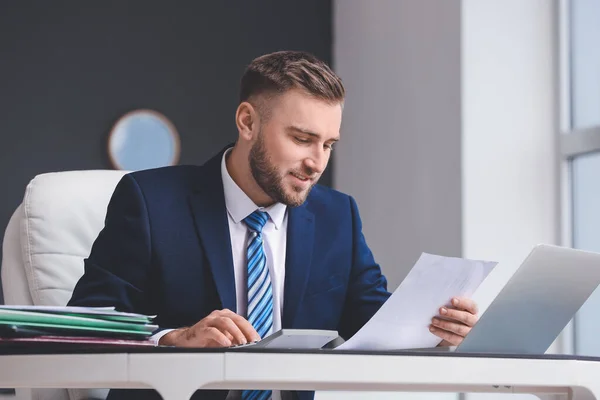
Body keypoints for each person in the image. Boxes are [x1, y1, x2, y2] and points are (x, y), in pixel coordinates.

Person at [69, 50, 479, 400]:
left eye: (328, 145)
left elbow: (374, 323)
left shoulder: (338, 216)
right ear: (248, 122)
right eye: (302, 139)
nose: (317, 163)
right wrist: (173, 340)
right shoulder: (150, 201)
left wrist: (436, 330)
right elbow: (86, 325)